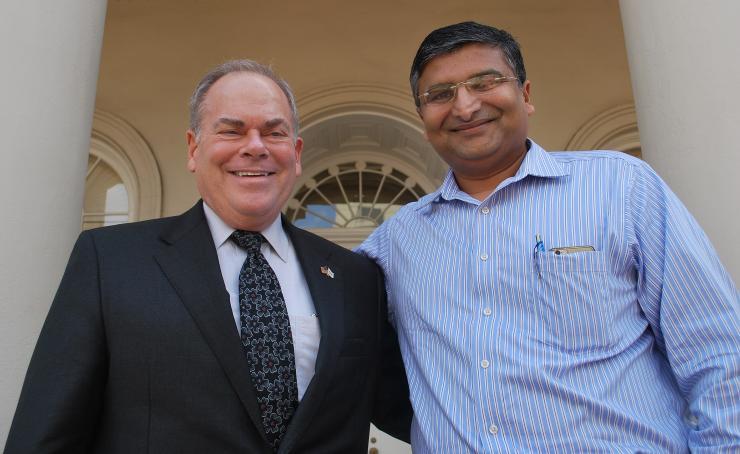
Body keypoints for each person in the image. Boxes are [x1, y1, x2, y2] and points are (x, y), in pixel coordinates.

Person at [358, 21, 739, 452]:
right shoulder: (397, 241)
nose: (464, 106)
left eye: (485, 82)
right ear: (423, 117)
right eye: (440, 94)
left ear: (525, 94)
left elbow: (717, 354)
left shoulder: (619, 187)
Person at [5, 59, 410, 454]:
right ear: (193, 149)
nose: (255, 147)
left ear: (296, 151)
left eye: (274, 132)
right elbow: (46, 433)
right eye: (232, 131)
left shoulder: (356, 277)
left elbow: (413, 411)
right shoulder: (110, 263)